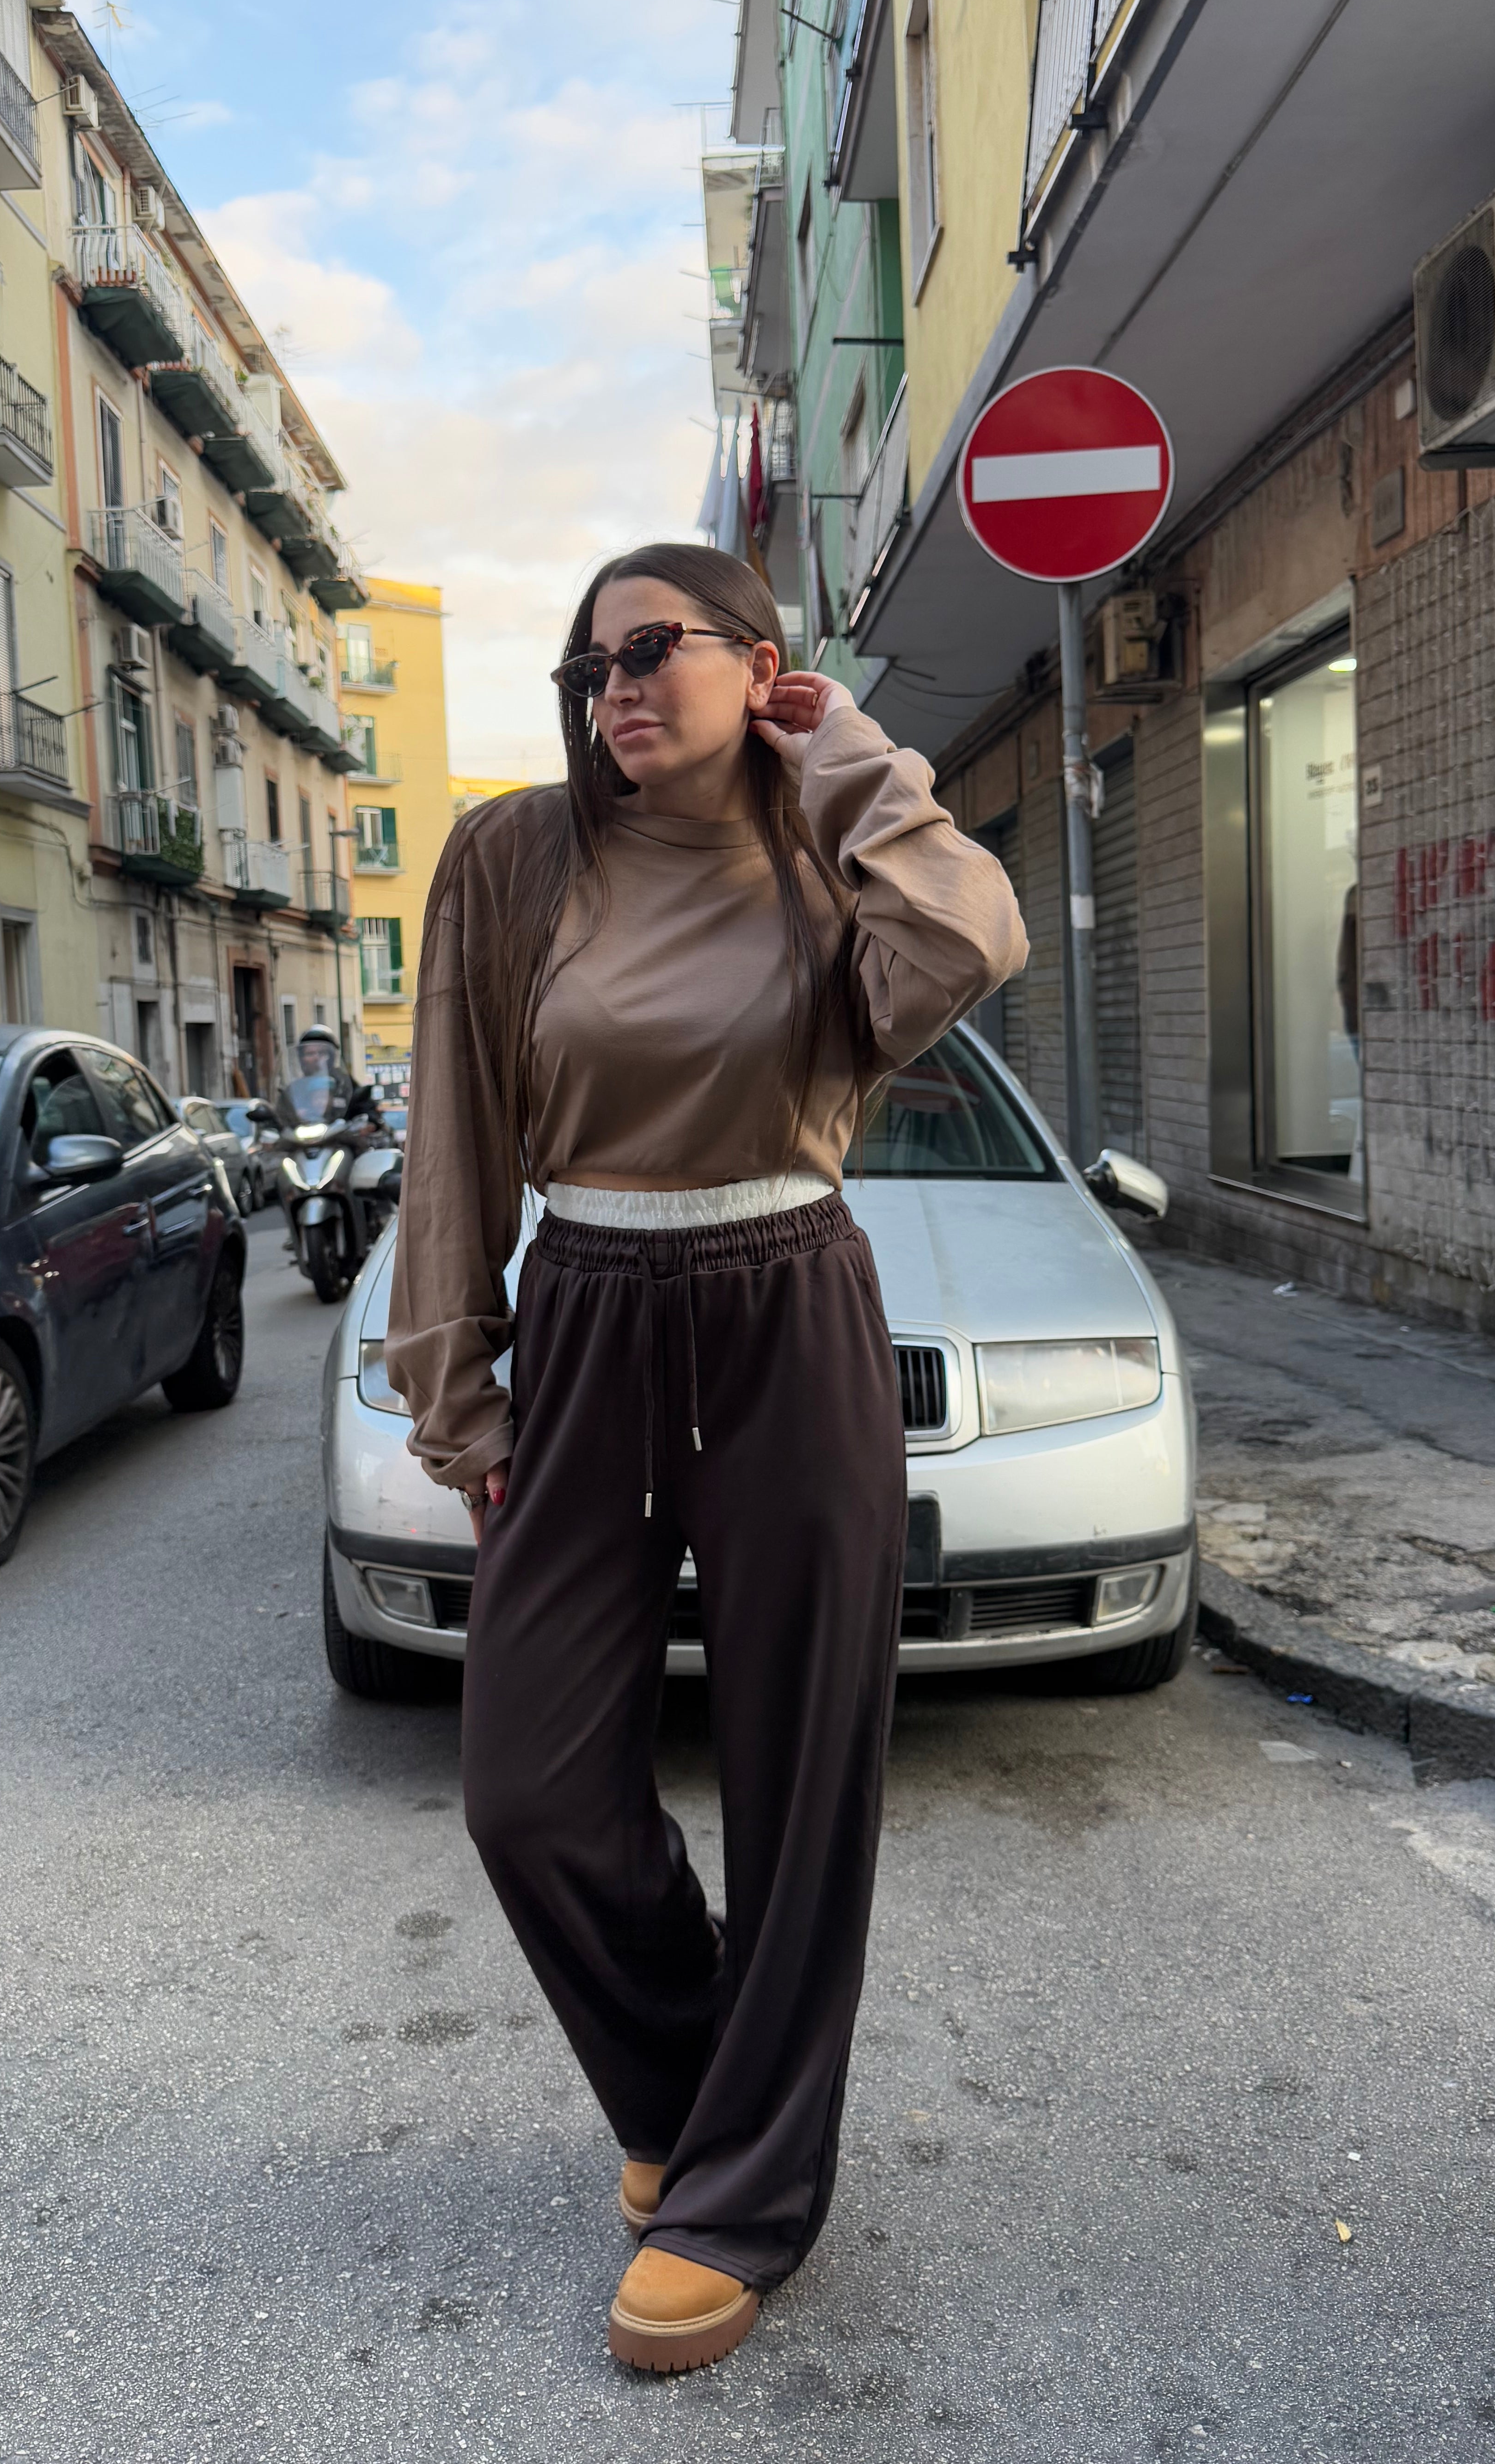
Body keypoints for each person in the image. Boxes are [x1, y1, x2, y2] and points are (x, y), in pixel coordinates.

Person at [386, 543, 1026, 2372]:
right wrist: (459, 1391)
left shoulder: (833, 844)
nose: (615, 688)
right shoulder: (516, 858)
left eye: (655, 649)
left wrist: (849, 756)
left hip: (786, 1302)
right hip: (586, 1311)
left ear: (763, 667)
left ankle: (742, 2192)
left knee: (802, 1775)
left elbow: (973, 942)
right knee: (526, 1784)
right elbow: (454, 1131)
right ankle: (700, 2084)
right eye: (591, 665)